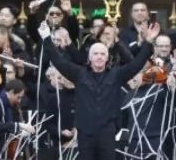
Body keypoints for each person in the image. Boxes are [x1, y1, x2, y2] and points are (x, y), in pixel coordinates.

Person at [38, 17, 158, 160]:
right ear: (89, 57)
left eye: (102, 54)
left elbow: (137, 64)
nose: (99, 57)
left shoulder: (117, 74)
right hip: (85, 133)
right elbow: (58, 61)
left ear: (107, 58)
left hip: (107, 133)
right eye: (95, 54)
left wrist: (149, 42)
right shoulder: (79, 73)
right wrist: (46, 37)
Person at [0, 79, 33, 160]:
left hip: (3, 147)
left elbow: (8, 126)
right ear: (11, 92)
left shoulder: (9, 104)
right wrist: (19, 125)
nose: (19, 101)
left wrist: (19, 132)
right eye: (18, 97)